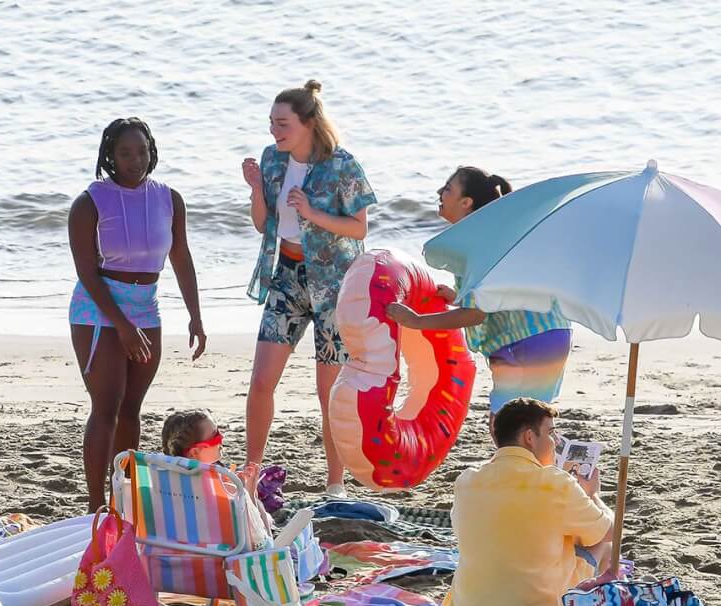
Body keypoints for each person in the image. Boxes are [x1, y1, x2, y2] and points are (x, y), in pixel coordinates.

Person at [240, 80, 377, 497]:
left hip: (335, 286)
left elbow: (360, 228)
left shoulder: (342, 165)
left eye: (282, 124)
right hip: (287, 276)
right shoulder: (273, 160)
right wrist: (255, 189)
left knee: (328, 391)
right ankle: (250, 473)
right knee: (262, 379)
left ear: (308, 123)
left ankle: (335, 484)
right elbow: (264, 224)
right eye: (271, 124)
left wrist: (314, 213)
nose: (274, 132)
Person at [68, 117, 206, 512]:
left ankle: (122, 503)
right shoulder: (89, 201)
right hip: (97, 310)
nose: (135, 160)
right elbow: (87, 273)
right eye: (125, 153)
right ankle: (95, 508)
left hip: (146, 307)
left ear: (152, 151)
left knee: (131, 410)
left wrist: (195, 315)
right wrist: (123, 327)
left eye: (142, 151)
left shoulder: (168, 198)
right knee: (106, 407)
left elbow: (180, 257)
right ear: (110, 156)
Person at [387, 167, 572, 440]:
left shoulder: (472, 241)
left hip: (527, 341)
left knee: (509, 430)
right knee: (531, 425)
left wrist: (416, 321)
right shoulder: (489, 232)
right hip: (548, 333)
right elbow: (493, 293)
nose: (440, 193)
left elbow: (475, 315)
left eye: (448, 189)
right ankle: (570, 471)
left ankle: (570, 473)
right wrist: (457, 296)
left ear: (466, 202)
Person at [443, 398, 613, 606]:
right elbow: (611, 531)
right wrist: (592, 495)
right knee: (605, 546)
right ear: (530, 438)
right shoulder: (554, 483)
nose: (555, 442)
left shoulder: (467, 480)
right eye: (551, 433)